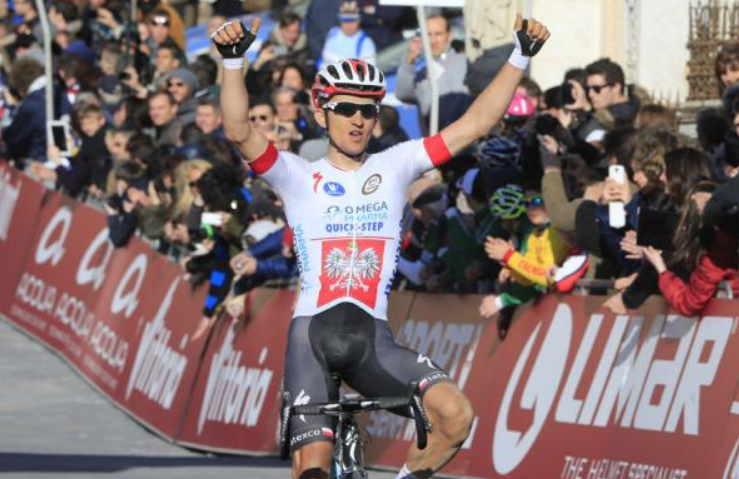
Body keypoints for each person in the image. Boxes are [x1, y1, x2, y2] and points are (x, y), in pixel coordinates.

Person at [211, 13, 549, 479]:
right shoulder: (297, 175)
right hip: (312, 341)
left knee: (456, 418)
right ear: (322, 111)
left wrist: (520, 55)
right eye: (346, 108)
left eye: (368, 110)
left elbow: (476, 124)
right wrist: (233, 62)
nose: (357, 120)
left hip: (373, 341)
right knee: (312, 472)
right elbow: (237, 130)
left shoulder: (396, 164)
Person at [395, 14, 470, 132]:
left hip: (467, 136)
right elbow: (403, 94)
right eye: (428, 35)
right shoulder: (423, 71)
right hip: (437, 140)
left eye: (438, 34)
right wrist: (409, 61)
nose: (433, 40)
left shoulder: (465, 61)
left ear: (449, 36)